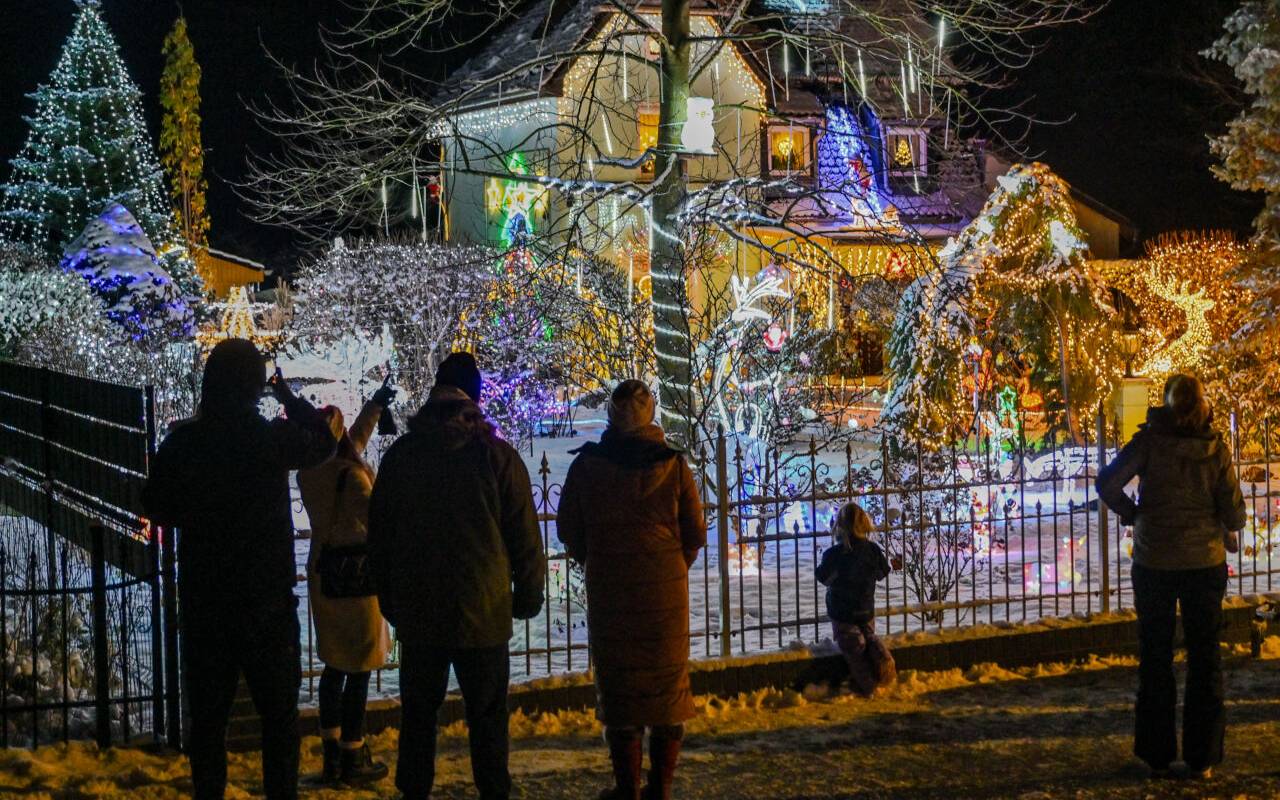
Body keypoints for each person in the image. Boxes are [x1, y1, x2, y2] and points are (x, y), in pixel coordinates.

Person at [142, 339, 335, 800]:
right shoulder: (269, 439)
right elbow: (325, 442)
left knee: (208, 725)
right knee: (279, 724)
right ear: (254, 385)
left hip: (206, 602)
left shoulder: (184, 443)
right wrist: (287, 397)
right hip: (266, 602)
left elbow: (156, 504)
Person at [367, 352, 545, 800]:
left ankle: (414, 791)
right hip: (482, 612)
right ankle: (492, 790)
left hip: (420, 610)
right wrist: (527, 592)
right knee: (487, 717)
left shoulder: (404, 457)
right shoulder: (497, 457)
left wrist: (390, 598)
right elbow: (523, 533)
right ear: (476, 396)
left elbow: (381, 535)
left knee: (419, 716)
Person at [557, 379, 707, 800]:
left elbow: (569, 528)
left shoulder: (588, 466)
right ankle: (660, 788)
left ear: (610, 416)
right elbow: (695, 533)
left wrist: (598, 562)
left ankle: (627, 789)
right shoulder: (674, 466)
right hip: (665, 599)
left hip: (611, 595)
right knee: (666, 691)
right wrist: (671, 567)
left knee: (621, 690)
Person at [1096, 373, 1247, 780]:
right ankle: (1202, 757)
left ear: (1164, 404)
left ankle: (1156, 752)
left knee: (1155, 658)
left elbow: (1107, 481)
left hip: (1155, 563)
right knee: (1205, 659)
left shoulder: (1148, 442)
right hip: (1203, 564)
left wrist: (1133, 514)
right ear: (1202, 406)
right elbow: (1234, 513)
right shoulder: (1216, 449)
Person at [296, 380, 397, 786]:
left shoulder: (312, 471)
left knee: (334, 666)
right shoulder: (352, 478)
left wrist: (374, 406)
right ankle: (354, 754)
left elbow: (353, 438)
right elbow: (379, 521)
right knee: (359, 667)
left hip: (325, 575)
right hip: (356, 578)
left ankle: (332, 754)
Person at [815, 502, 895, 697]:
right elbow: (881, 572)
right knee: (869, 636)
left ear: (839, 526)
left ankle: (868, 686)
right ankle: (882, 659)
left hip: (842, 611)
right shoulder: (872, 550)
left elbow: (824, 578)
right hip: (866, 608)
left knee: (854, 648)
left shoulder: (834, 554)